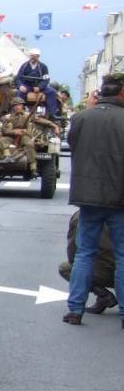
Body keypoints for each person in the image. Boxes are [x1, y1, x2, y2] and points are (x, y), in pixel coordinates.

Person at [63, 72, 124, 326]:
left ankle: (75, 309)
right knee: (122, 255)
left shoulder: (81, 118)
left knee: (84, 253)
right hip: (120, 196)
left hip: (88, 196)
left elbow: (74, 145)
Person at [58, 210, 117, 314]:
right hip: (116, 268)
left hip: (103, 270)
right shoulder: (119, 214)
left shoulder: (80, 216)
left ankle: (103, 295)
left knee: (66, 268)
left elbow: (72, 249)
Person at [16, 48, 59, 116]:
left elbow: (46, 79)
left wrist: (39, 87)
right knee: (19, 93)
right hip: (27, 85)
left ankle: (52, 114)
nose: (32, 57)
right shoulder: (24, 66)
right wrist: (20, 86)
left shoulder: (43, 67)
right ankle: (19, 113)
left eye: (34, 56)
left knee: (52, 92)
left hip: (39, 86)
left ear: (38, 57)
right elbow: (18, 78)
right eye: (31, 55)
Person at [2, 97, 37, 174]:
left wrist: (54, 126)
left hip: (25, 136)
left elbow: (38, 123)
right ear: (13, 107)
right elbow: (4, 130)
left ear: (23, 106)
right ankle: (7, 157)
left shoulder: (28, 116)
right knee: (2, 140)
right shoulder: (7, 117)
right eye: (15, 105)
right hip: (11, 136)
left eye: (20, 105)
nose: (18, 107)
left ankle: (33, 167)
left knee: (29, 144)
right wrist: (15, 132)